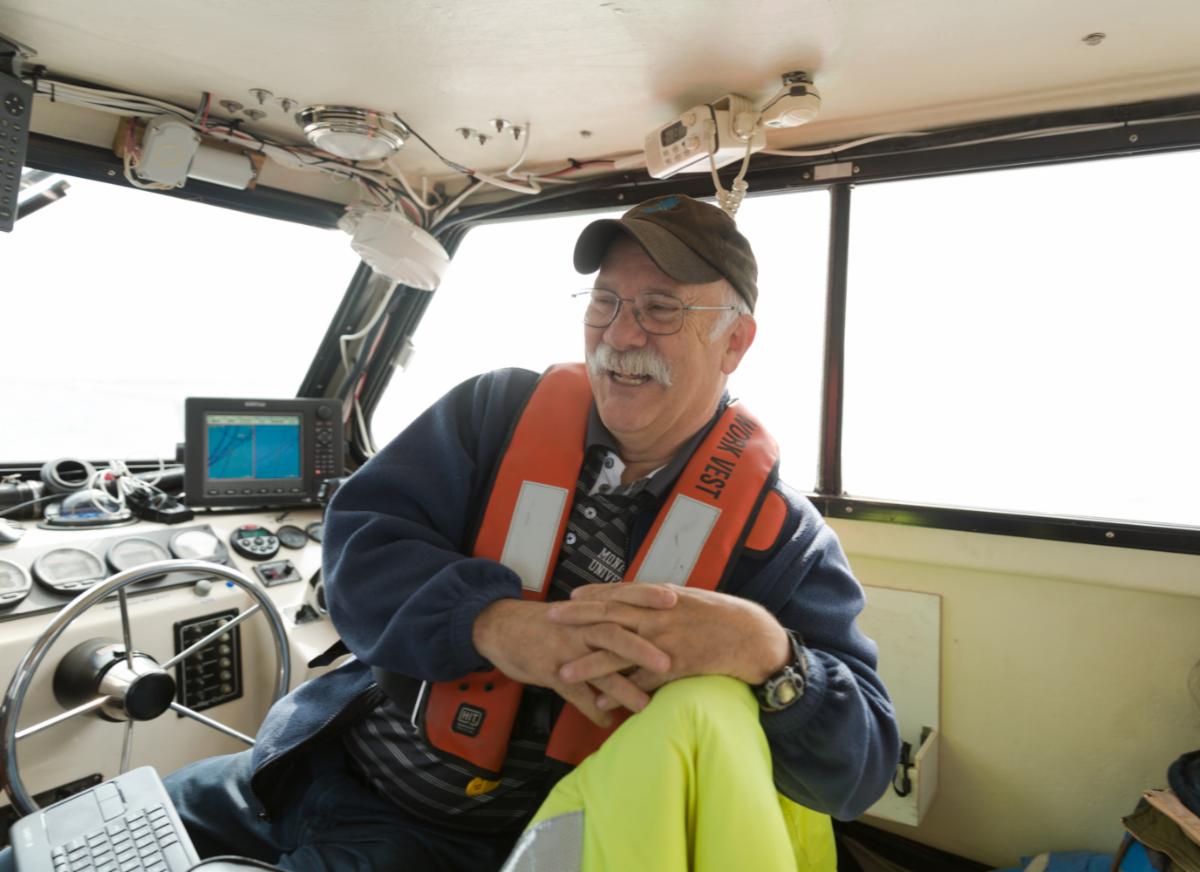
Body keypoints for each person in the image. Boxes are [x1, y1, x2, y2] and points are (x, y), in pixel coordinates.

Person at [155, 193, 899, 870]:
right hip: (311, 760)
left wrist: (771, 656)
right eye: (605, 301)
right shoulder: (495, 414)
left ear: (735, 343)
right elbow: (359, 545)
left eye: (663, 309)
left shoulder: (780, 538)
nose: (620, 332)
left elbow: (860, 769)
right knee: (72, 843)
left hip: (465, 845)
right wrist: (492, 622)